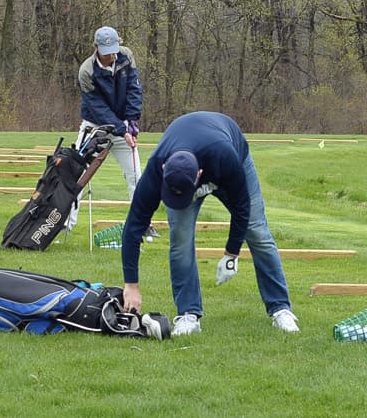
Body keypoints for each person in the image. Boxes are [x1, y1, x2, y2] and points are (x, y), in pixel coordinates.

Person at [118, 110, 296, 337]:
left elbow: (243, 207)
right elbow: (133, 226)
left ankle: (281, 308)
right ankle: (188, 314)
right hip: (189, 151)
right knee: (180, 239)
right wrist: (131, 285)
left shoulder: (225, 157)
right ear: (164, 172)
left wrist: (231, 253)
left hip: (228, 153)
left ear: (199, 174)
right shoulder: (156, 169)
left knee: (257, 231)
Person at [76, 26, 143, 190]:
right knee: (76, 177)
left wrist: (132, 119)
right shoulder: (86, 71)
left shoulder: (126, 55)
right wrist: (123, 130)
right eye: (107, 53)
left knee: (136, 177)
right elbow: (98, 109)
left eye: (114, 50)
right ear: (96, 48)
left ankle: (138, 217)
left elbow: (134, 89)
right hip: (94, 126)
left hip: (123, 124)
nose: (112, 56)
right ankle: (69, 216)